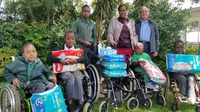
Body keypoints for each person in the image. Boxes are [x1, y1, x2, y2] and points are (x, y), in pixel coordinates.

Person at [47, 31, 87, 112]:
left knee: (79, 77)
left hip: (74, 68)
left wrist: (76, 60)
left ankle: (80, 100)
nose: (70, 41)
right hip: (64, 69)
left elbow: (86, 59)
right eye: (68, 39)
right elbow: (49, 57)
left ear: (74, 40)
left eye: (72, 39)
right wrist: (60, 60)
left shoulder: (77, 50)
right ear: (65, 39)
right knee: (70, 78)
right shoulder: (60, 48)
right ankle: (70, 101)